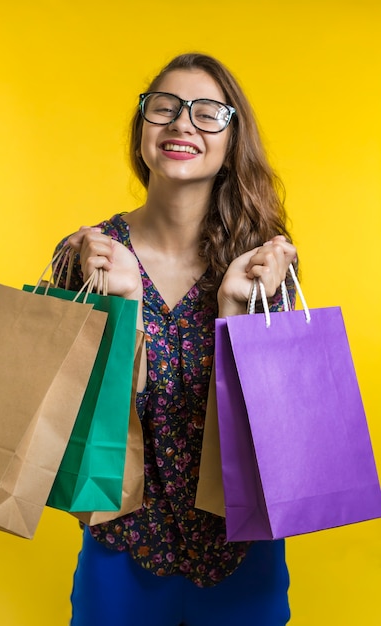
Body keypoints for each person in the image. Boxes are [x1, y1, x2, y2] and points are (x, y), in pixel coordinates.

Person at [54, 52, 297, 626]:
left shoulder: (261, 262)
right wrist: (125, 312)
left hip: (243, 554)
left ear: (232, 139)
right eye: (163, 107)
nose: (182, 123)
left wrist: (233, 309)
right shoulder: (93, 255)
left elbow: (270, 434)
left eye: (207, 112)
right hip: (120, 552)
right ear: (143, 130)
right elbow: (75, 428)